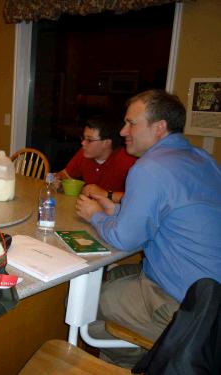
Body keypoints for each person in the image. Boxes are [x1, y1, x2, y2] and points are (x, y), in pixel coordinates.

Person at [75, 89, 221, 367]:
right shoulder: (205, 160)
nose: (122, 130)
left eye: (131, 123)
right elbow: (170, 219)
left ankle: (150, 361)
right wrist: (115, 210)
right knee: (114, 277)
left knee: (86, 304)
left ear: (159, 127)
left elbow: (124, 239)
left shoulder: (149, 167)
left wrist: (94, 214)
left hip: (190, 311)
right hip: (212, 299)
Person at [58, 115, 136, 203]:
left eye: (89, 140)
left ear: (106, 143)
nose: (83, 143)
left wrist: (106, 194)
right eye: (83, 138)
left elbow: (137, 199)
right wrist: (58, 179)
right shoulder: (84, 153)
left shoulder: (128, 162)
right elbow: (65, 174)